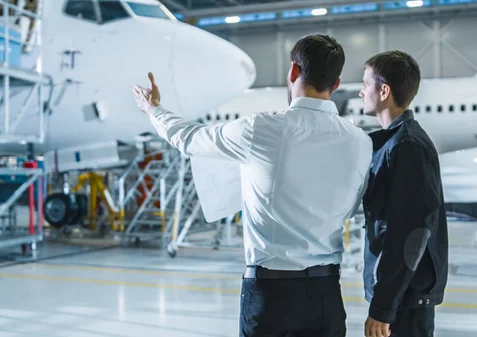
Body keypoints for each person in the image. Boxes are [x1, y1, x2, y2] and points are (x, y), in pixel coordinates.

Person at [133, 34, 372, 337]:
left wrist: (154, 109)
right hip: (326, 293)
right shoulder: (360, 143)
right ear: (336, 83)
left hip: (271, 293)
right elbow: (351, 208)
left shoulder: (261, 129)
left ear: (293, 72)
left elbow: (190, 139)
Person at [359, 50, 449, 337]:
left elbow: (410, 234)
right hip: (401, 296)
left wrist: (383, 308)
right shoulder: (393, 142)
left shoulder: (407, 146)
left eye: (365, 84)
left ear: (384, 90)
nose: (361, 92)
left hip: (405, 302)